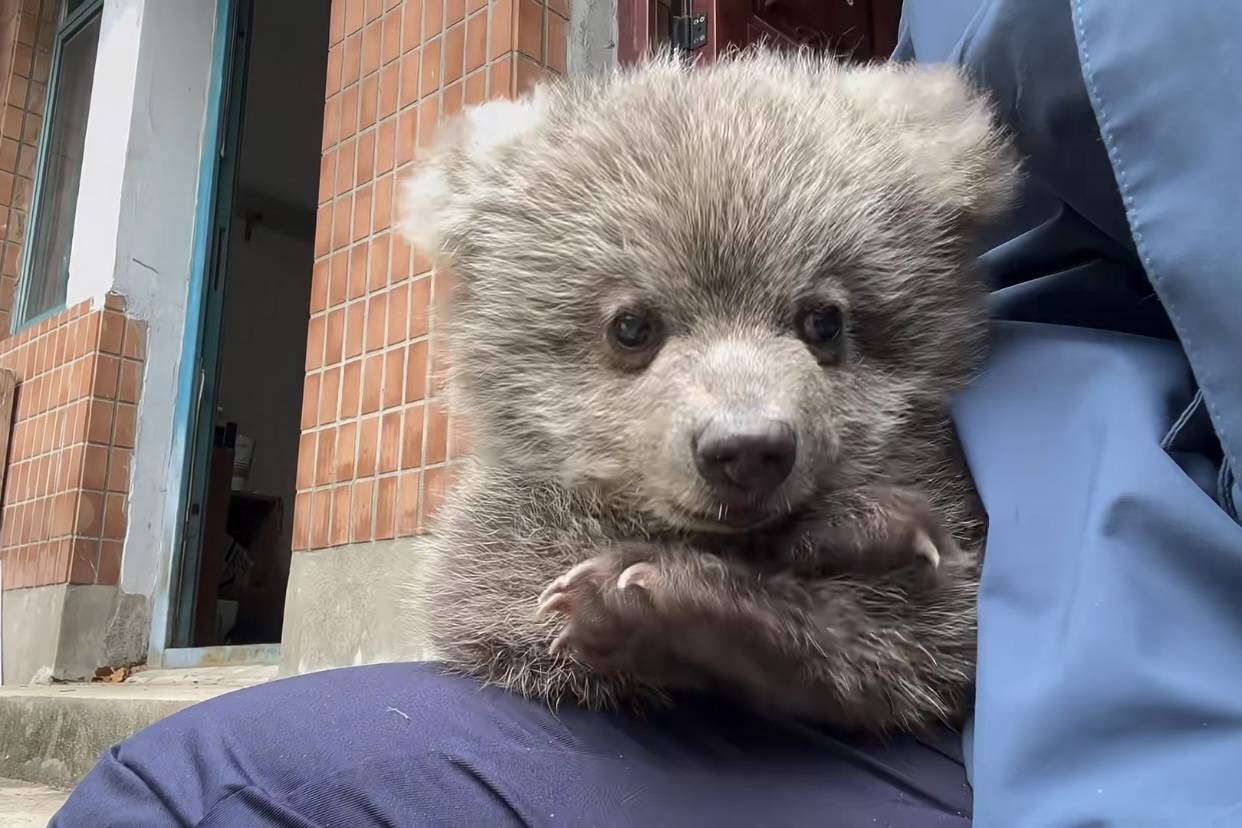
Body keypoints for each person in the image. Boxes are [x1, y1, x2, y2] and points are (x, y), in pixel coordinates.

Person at [53, 0, 1242, 824]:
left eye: (819, 326)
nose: (748, 417)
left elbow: (960, 637)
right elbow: (494, 617)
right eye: (635, 334)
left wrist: (764, 605)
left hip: (1106, 702)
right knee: (193, 786)